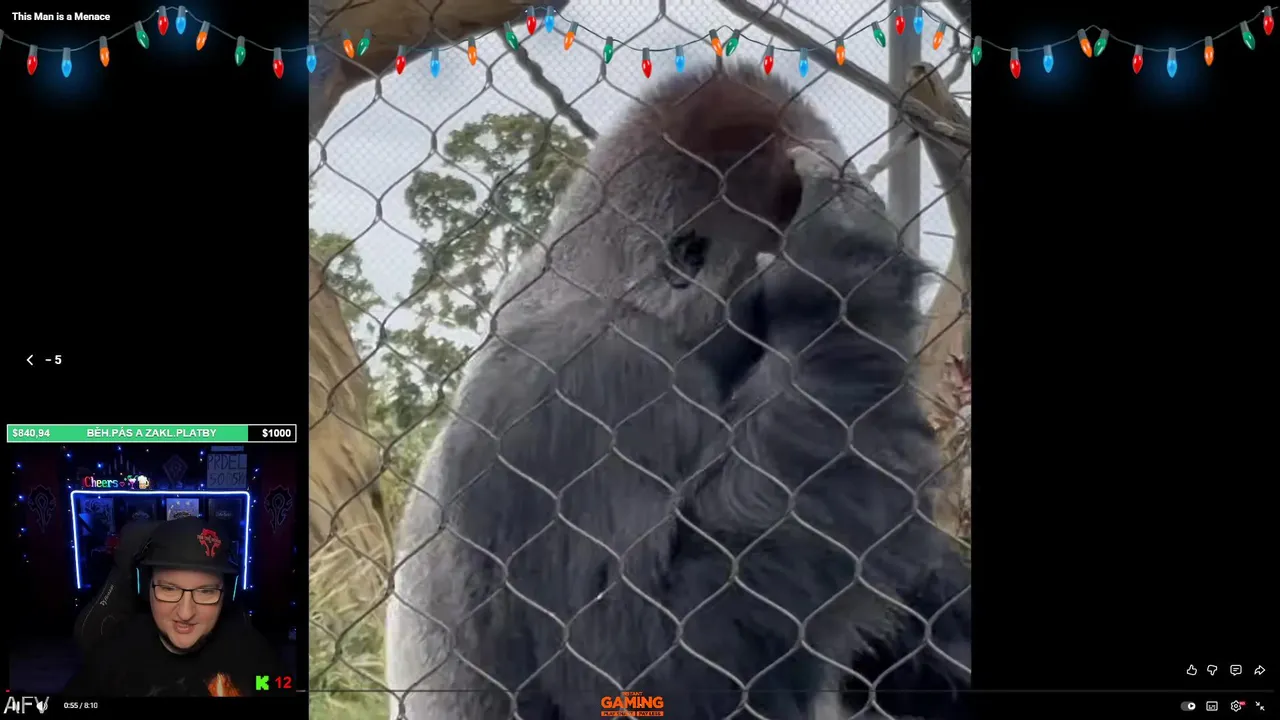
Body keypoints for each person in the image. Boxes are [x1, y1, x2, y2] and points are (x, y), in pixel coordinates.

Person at [64, 516, 282, 697]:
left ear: (228, 594)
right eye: (169, 589)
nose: (185, 614)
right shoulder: (110, 658)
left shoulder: (255, 656)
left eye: (206, 591)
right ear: (145, 587)